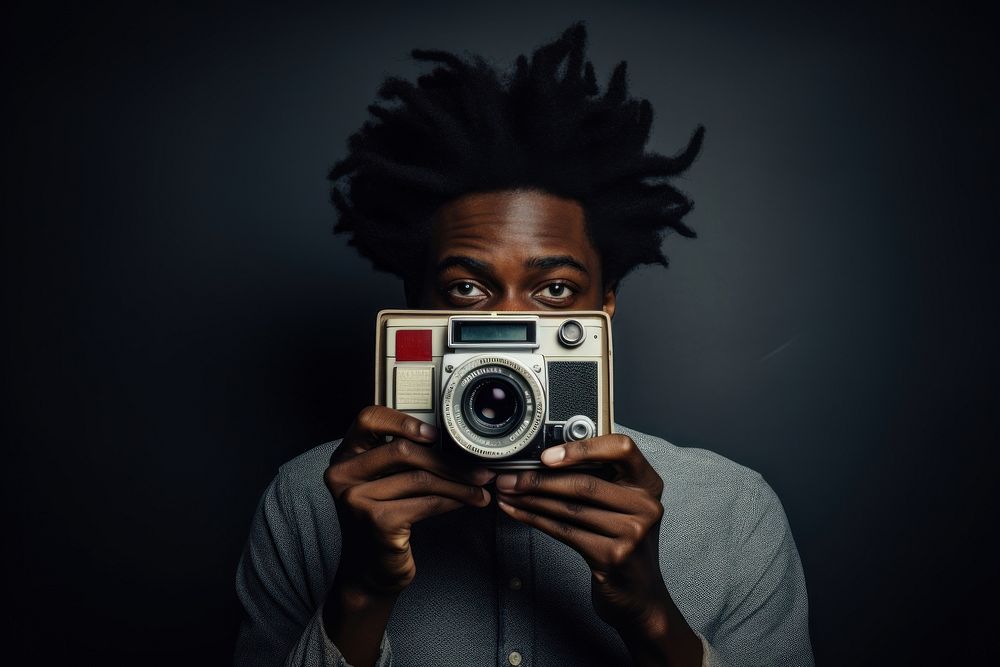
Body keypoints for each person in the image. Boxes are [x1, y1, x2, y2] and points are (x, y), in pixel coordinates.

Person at [234, 22, 813, 667]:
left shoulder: (731, 512)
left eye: (555, 291)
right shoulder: (308, 501)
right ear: (415, 306)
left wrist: (651, 614)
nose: (508, 327)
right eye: (466, 290)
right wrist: (361, 593)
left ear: (606, 304)